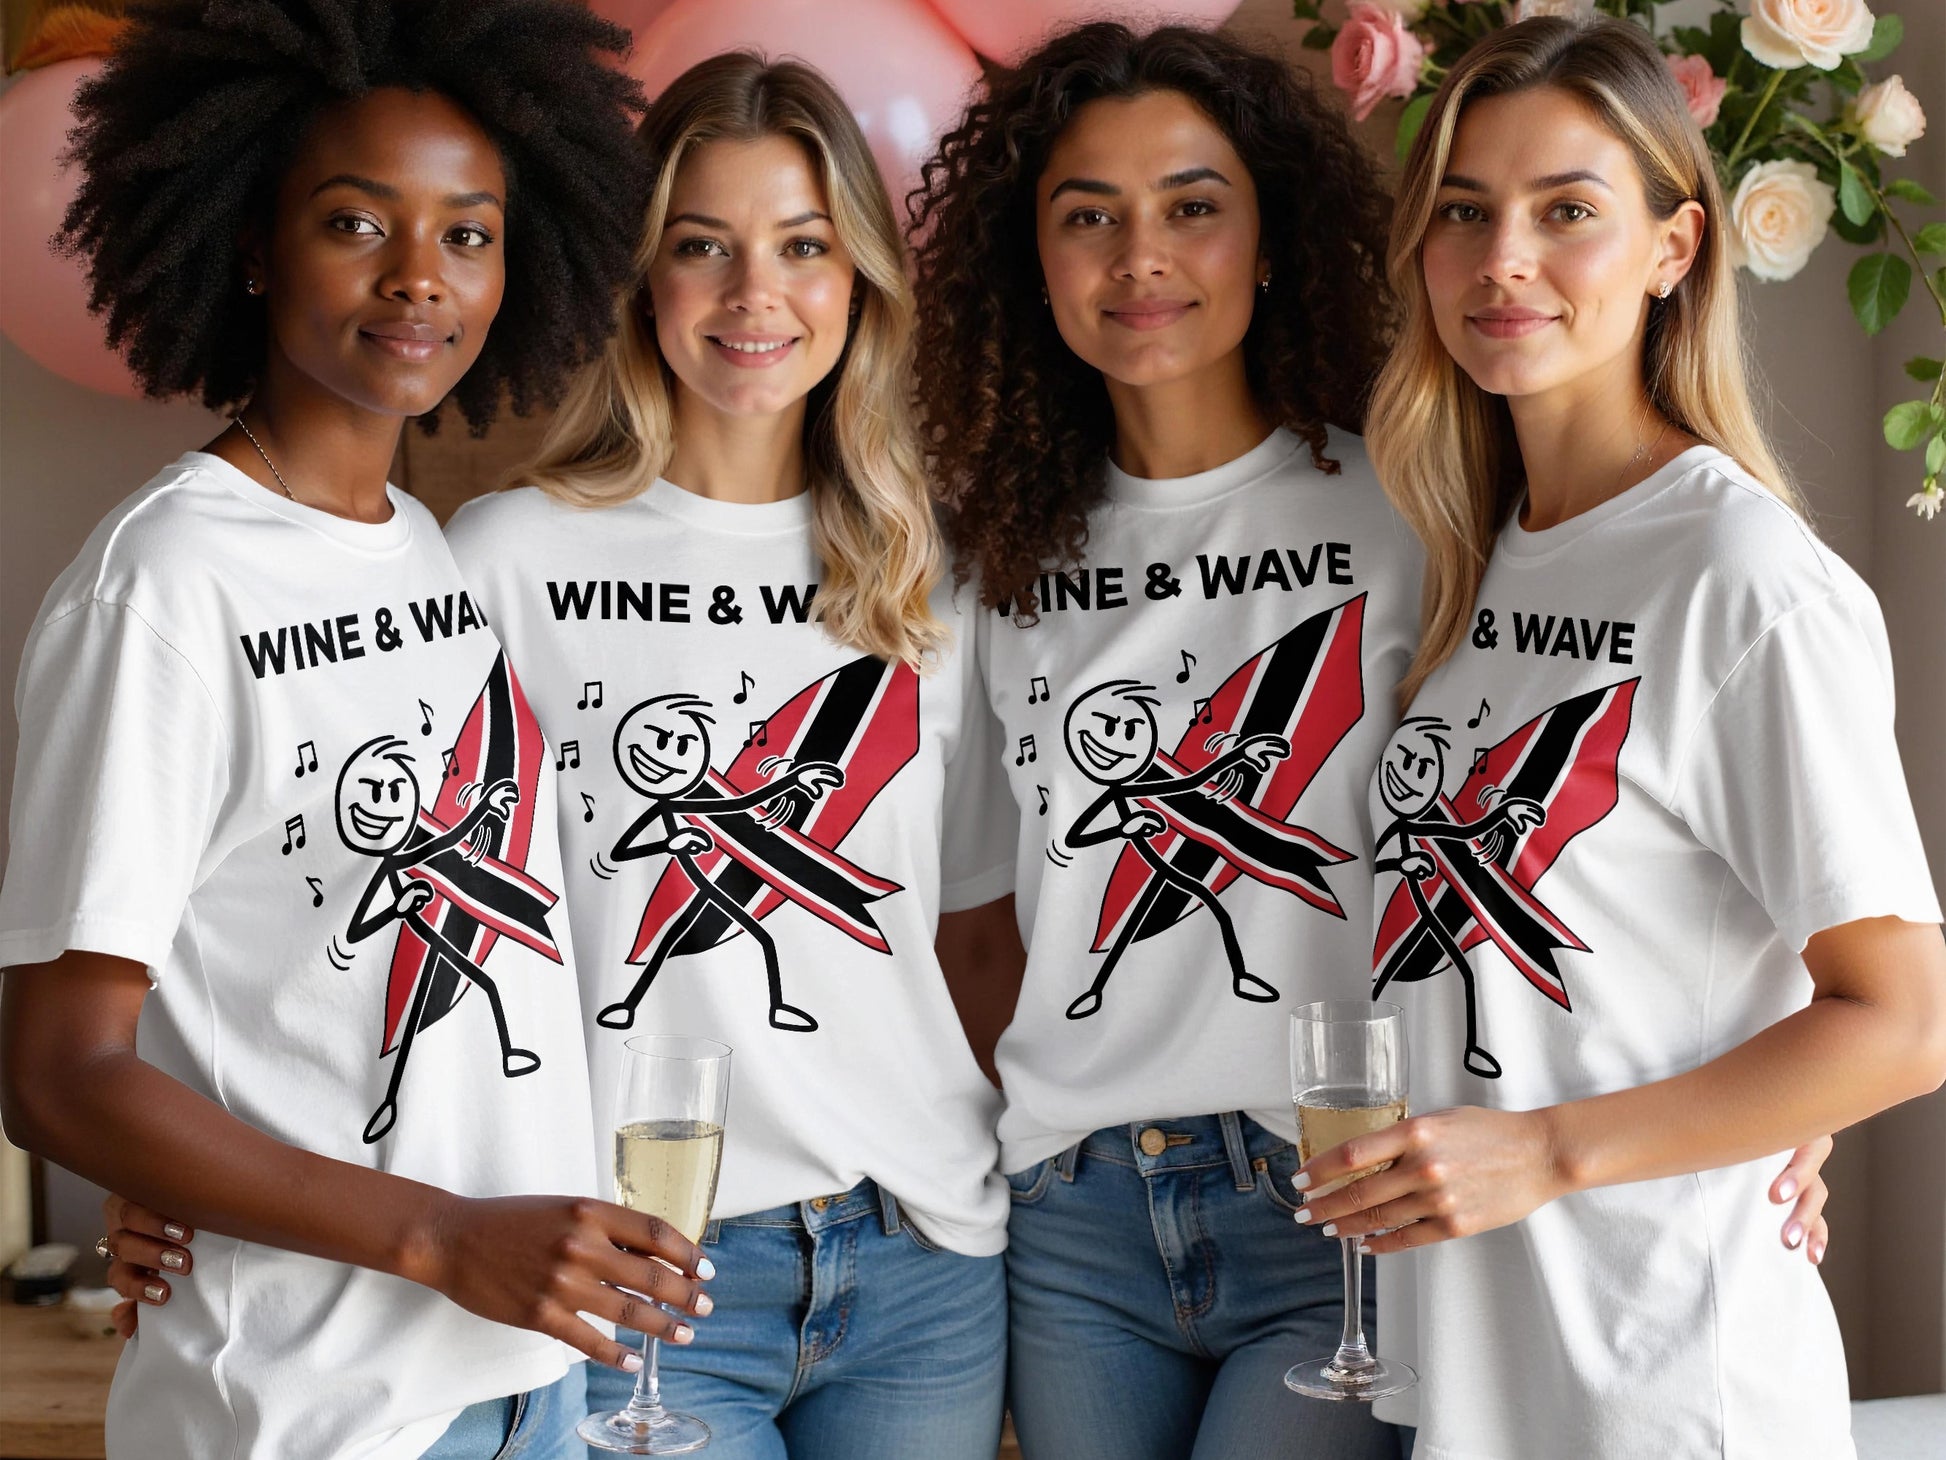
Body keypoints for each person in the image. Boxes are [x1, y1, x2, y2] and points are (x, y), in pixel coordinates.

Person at [0, 3, 711, 1456]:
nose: (419, 277)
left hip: (516, 1380)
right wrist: (441, 1236)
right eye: (355, 223)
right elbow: (61, 1074)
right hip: (312, 1413)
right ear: (254, 244)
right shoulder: (164, 585)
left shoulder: (418, 548)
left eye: (468, 233)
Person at [1287, 17, 1946, 1460]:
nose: (1502, 260)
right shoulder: (1478, 553)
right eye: (1464, 212)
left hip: (1667, 1383)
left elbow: (1904, 1020)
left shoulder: (1738, 579)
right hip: (1492, 1370)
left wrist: (1543, 1150)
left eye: (1567, 211)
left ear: (1672, 247)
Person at [441, 54, 1018, 1459]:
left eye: (803, 246)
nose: (756, 293)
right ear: (642, 278)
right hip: (638, 1262)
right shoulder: (509, 557)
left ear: (860, 281)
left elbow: (973, 935)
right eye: (703, 245)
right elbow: (425, 921)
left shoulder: (938, 568)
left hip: (922, 1265)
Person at [910, 24, 1418, 1459]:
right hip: (1073, 1221)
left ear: (1271, 240)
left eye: (1192, 206)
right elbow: (979, 931)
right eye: (1089, 217)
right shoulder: (992, 556)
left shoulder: (1403, 510)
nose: (1141, 257)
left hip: (1334, 1192)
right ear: (1032, 260)